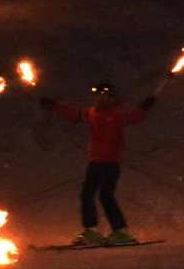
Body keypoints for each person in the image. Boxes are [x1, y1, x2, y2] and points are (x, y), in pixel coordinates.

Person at [40, 84, 157, 246]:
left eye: (103, 96)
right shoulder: (92, 113)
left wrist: (146, 105)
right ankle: (91, 232)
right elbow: (73, 113)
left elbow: (135, 116)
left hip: (110, 162)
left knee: (106, 196)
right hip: (95, 161)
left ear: (111, 98)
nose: (98, 99)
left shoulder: (117, 115)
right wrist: (54, 106)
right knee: (86, 195)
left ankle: (121, 232)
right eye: (97, 96)